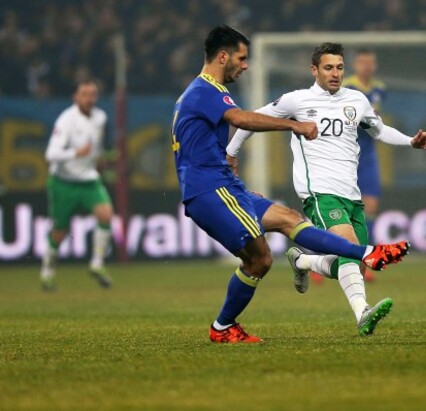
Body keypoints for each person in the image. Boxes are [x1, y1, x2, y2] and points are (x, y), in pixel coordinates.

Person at [172, 26, 410, 344]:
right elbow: (242, 120)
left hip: (225, 186)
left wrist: (229, 161)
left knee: (276, 239)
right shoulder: (205, 91)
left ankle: (224, 326)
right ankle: (367, 255)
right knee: (267, 252)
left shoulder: (208, 92)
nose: (245, 65)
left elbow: (206, 142)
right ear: (223, 56)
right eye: (242, 59)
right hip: (209, 191)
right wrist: (293, 125)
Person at [228, 42, 426, 336]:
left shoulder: (357, 100)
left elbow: (379, 130)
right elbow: (248, 121)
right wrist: (230, 153)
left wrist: (410, 141)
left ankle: (302, 260)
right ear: (314, 70)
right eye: (328, 68)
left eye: (339, 67)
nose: (335, 73)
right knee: (352, 250)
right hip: (319, 193)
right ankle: (362, 313)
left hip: (352, 194)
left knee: (352, 263)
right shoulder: (296, 101)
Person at [41, 80, 114, 291]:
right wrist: (75, 153)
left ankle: (97, 264)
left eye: (93, 94)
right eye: (85, 94)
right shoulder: (66, 121)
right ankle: (47, 271)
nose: (89, 98)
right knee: (60, 231)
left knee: (106, 215)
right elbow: (50, 154)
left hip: (89, 179)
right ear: (75, 97)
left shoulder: (100, 117)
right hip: (63, 182)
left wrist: (99, 161)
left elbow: (96, 147)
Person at [341, 49, 386, 283]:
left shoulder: (380, 88)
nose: (366, 66)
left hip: (368, 156)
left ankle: (364, 261)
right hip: (346, 155)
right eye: (362, 62)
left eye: (370, 62)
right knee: (340, 210)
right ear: (356, 65)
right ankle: (319, 257)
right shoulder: (345, 87)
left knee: (370, 206)